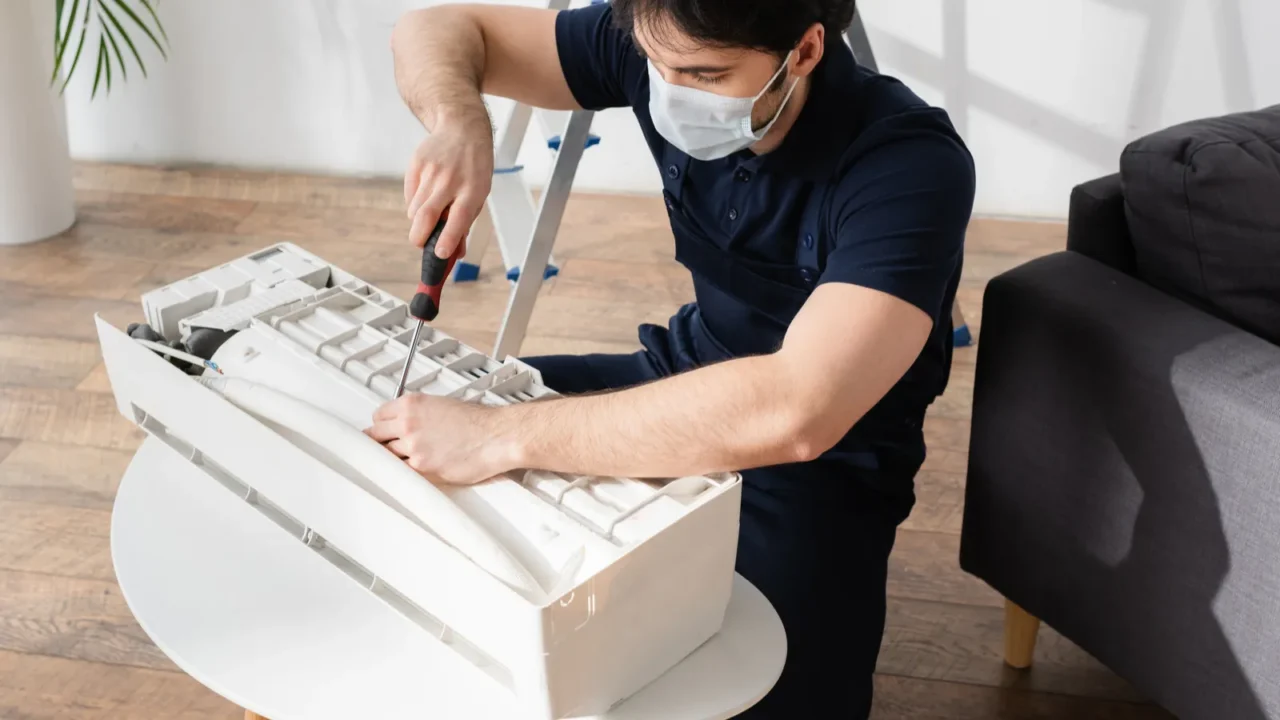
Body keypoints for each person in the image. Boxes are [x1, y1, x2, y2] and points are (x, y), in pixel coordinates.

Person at [372, 0, 975, 716]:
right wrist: (460, 121)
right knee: (406, 460)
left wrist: (503, 436)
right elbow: (436, 27)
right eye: (656, 65)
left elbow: (799, 409)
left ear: (806, 51)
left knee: (760, 691)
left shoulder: (908, 166)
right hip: (678, 369)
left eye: (701, 74)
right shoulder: (662, 37)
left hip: (822, 469)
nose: (668, 91)